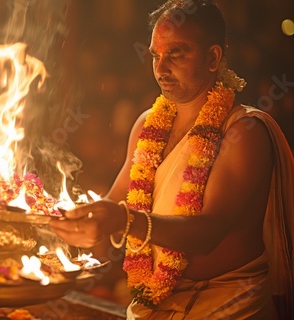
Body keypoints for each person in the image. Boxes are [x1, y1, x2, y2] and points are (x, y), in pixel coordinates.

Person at [49, 0, 294, 319]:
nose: (161, 69)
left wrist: (122, 221)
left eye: (176, 54)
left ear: (212, 57)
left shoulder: (244, 131)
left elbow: (208, 233)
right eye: (155, 55)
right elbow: (113, 202)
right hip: (154, 304)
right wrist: (63, 221)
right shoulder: (146, 125)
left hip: (231, 306)